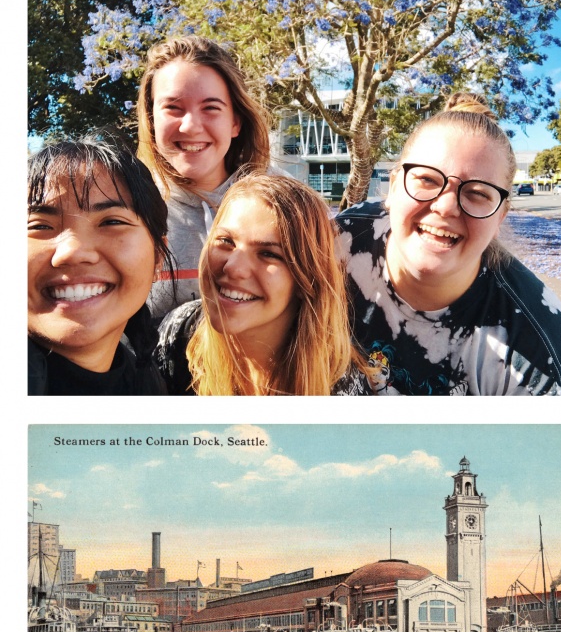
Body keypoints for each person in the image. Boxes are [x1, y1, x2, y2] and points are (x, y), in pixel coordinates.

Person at [336, 92, 561, 395]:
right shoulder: (340, 240)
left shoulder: (538, 354)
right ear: (394, 187)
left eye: (477, 192)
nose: (446, 207)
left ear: (500, 216)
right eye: (427, 180)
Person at [155, 173, 369, 395]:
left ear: (307, 278)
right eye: (226, 241)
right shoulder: (178, 333)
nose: (233, 267)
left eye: (269, 253)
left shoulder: (340, 389)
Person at [137, 35, 271, 319]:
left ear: (235, 122)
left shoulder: (282, 205)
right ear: (151, 119)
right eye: (173, 108)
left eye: (211, 108)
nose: (191, 126)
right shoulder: (126, 210)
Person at [28, 137, 174, 395]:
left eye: (111, 222)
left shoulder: (148, 384)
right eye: (40, 226)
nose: (72, 252)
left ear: (157, 258)